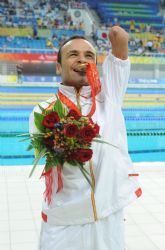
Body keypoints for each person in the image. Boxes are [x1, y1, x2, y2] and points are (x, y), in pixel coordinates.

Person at [29, 26, 142, 250]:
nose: (82, 59)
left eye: (89, 55)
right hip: (63, 217)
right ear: (59, 67)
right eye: (73, 55)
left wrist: (117, 37)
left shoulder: (108, 100)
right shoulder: (42, 112)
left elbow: (119, 58)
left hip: (106, 215)